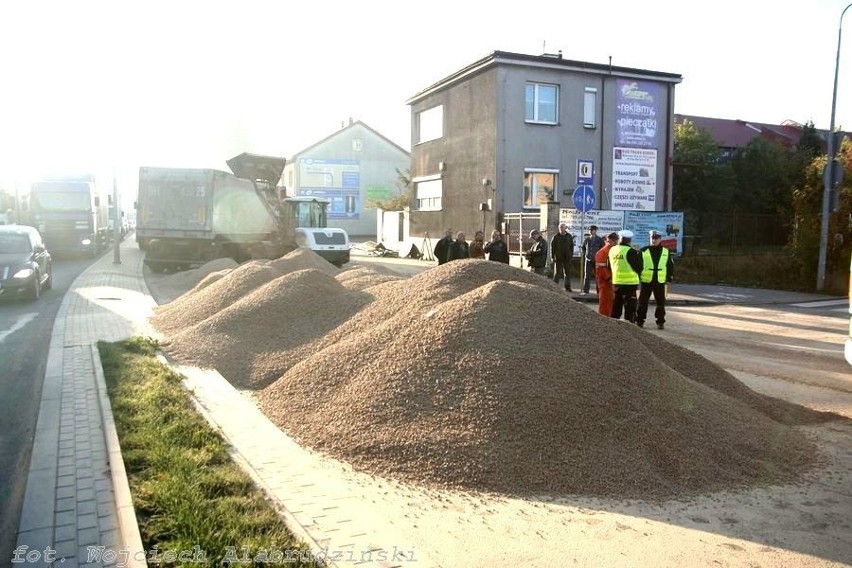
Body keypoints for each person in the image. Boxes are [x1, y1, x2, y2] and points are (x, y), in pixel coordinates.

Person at [636, 230, 674, 329]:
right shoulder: (643, 250)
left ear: (660, 239)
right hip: (646, 281)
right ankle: (640, 321)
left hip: (660, 281)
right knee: (642, 302)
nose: (654, 240)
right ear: (649, 238)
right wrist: (638, 277)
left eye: (656, 238)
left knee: (661, 303)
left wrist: (669, 277)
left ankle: (660, 322)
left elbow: (670, 265)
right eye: (652, 238)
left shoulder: (666, 251)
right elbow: (638, 265)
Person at [608, 230, 643, 322]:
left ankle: (613, 328)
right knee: (630, 309)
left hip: (616, 283)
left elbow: (609, 266)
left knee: (616, 308)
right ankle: (629, 329)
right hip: (630, 284)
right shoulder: (631, 252)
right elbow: (639, 268)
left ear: (620, 239)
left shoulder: (612, 250)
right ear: (630, 240)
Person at [595, 232, 619, 317]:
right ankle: (604, 320)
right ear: (612, 241)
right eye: (616, 241)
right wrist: (609, 279)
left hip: (608, 281)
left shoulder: (609, 250)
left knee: (609, 303)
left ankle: (607, 319)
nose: (617, 243)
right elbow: (601, 268)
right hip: (605, 282)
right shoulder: (604, 251)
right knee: (605, 303)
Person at [550, 223, 575, 291]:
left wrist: (571, 255)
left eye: (562, 227)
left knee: (567, 273)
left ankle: (567, 287)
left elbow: (571, 246)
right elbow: (552, 247)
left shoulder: (569, 236)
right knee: (557, 273)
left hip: (567, 258)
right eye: (560, 227)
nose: (561, 229)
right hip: (558, 258)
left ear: (565, 228)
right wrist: (552, 257)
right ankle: (554, 287)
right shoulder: (555, 237)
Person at [581, 225, 604, 295]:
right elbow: (583, 248)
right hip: (588, 260)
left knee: (597, 276)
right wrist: (585, 255)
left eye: (592, 230)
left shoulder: (600, 240)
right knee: (587, 276)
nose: (591, 231)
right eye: (590, 230)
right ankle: (585, 291)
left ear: (595, 231)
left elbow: (602, 249)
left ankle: (598, 292)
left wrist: (599, 258)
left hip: (596, 261)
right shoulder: (587, 239)